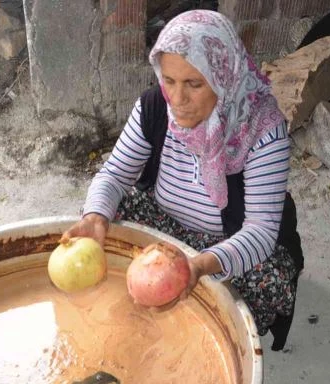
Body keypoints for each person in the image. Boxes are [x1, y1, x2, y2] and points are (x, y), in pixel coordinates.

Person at [63, 10, 304, 350]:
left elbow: (261, 231)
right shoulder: (154, 106)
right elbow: (115, 175)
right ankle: (139, 297)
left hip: (227, 241)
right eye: (169, 80)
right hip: (162, 222)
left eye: (194, 84)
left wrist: (200, 265)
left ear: (225, 78)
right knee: (106, 219)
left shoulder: (262, 129)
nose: (177, 100)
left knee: (270, 280)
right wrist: (94, 216)